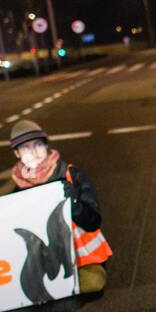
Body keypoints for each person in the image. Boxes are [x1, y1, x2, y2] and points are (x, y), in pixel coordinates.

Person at [8, 119, 111, 294]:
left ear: (46, 146)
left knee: (93, 283)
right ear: (17, 153)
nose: (33, 152)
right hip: (46, 264)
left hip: (81, 259)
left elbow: (93, 222)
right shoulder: (17, 192)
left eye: (38, 144)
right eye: (25, 147)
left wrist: (74, 204)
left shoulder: (71, 175)